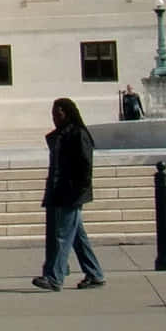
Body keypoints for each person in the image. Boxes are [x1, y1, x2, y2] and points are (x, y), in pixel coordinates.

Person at [34, 97, 105, 290]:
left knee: (62, 236)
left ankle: (54, 277)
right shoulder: (60, 136)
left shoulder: (78, 134)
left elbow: (85, 167)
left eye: (59, 113)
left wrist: (78, 192)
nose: (55, 118)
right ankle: (95, 273)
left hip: (70, 193)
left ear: (68, 113)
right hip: (57, 191)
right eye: (53, 114)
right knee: (76, 237)